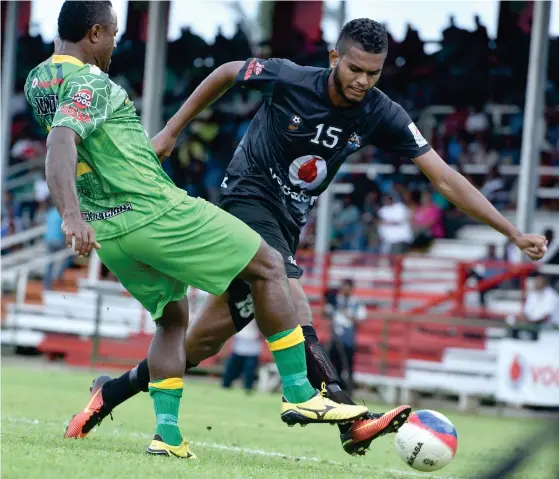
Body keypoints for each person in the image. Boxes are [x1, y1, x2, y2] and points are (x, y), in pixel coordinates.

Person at [59, 15, 548, 457]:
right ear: (335, 56)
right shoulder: (291, 78)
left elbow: (444, 178)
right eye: (354, 68)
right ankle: (344, 411)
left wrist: (511, 231)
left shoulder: (381, 112)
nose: (361, 81)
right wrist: (170, 131)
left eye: (372, 73)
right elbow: (228, 71)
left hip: (289, 224)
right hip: (247, 199)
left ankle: (111, 391)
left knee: (196, 346)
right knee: (292, 291)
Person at [25, 1, 368, 459]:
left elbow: (75, 138)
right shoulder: (89, 81)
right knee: (269, 265)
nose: (114, 43)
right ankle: (301, 394)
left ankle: (167, 436)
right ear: (93, 33)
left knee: (172, 318)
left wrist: (85, 209)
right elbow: (61, 140)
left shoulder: (38, 80)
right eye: (111, 34)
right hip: (154, 211)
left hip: (112, 230)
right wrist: (69, 215)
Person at [325, 279, 367, 398]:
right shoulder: (336, 300)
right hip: (335, 338)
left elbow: (361, 318)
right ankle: (333, 391)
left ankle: (349, 392)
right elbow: (327, 313)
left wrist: (347, 314)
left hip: (348, 340)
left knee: (348, 366)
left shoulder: (356, 302)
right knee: (332, 365)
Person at [507, 272, 559, 341]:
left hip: (550, 328)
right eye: (535, 280)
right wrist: (521, 318)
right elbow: (526, 312)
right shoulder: (533, 294)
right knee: (511, 320)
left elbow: (546, 317)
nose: (536, 283)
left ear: (544, 282)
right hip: (533, 326)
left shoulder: (552, 296)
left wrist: (529, 321)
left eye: (538, 281)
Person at [222, 320, 262, 393]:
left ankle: (248, 389)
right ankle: (225, 387)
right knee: (229, 371)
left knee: (249, 373)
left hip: (252, 352)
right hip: (237, 350)